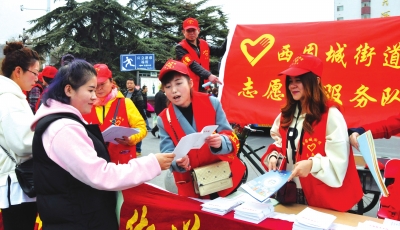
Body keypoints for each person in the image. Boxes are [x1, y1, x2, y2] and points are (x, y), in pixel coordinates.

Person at [30, 59, 174, 229]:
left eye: (98, 87)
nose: (94, 95)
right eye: (90, 90)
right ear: (69, 90)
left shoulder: (65, 120)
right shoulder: (64, 128)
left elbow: (140, 127)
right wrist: (152, 163)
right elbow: (100, 174)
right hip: (78, 219)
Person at [260, 54, 362, 212]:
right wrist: (274, 155)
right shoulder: (286, 114)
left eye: (299, 80)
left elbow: (339, 160)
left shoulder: (330, 115)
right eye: (290, 81)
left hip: (323, 194)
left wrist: (313, 164)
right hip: (291, 191)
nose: (292, 86)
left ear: (315, 81)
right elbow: (281, 142)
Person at [157, 59, 245, 199]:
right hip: (192, 186)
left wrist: (221, 142)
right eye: (168, 87)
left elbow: (229, 134)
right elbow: (167, 152)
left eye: (179, 83)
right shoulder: (163, 118)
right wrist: (177, 161)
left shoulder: (212, 103)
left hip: (222, 178)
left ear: (190, 83)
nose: (174, 90)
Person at [0, 41, 39, 230]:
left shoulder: (12, 96)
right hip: (16, 182)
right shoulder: (9, 99)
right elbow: (22, 143)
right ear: (18, 71)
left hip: (16, 180)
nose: (37, 78)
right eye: (34, 72)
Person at [82, 64, 146, 162]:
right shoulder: (85, 106)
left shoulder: (125, 103)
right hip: (96, 163)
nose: (99, 88)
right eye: (95, 85)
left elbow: (141, 128)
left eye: (102, 84)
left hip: (123, 162)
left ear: (111, 82)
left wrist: (131, 139)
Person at [176, 17, 225, 92]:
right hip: (189, 88)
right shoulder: (180, 47)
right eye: (188, 31)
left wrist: (230, 37)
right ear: (183, 32)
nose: (191, 33)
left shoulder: (204, 44)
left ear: (198, 30)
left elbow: (220, 51)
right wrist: (209, 75)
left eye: (193, 30)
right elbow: (192, 65)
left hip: (205, 86)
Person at [123, 78, 147, 156]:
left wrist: (142, 117)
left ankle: (138, 149)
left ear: (134, 84)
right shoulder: (124, 93)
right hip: (126, 116)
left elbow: (141, 106)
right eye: (128, 83)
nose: (129, 85)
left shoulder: (138, 93)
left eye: (131, 83)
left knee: (137, 131)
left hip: (136, 115)